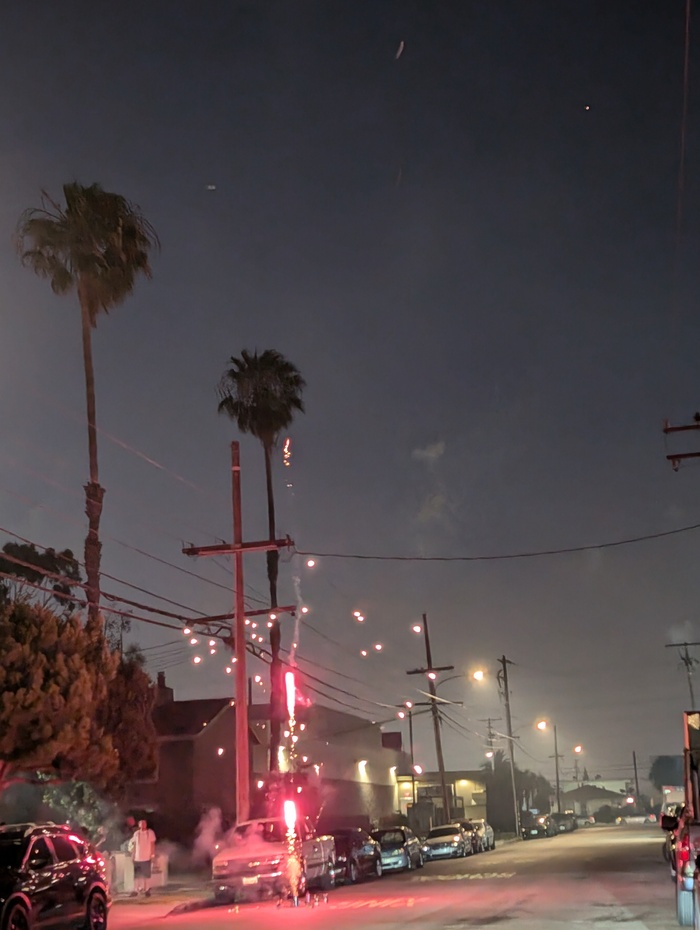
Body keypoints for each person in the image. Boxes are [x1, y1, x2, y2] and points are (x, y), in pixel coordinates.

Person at [128, 819, 157, 897]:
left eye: (144, 823)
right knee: (137, 875)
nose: (143, 825)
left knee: (146, 875)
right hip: (137, 857)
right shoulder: (136, 833)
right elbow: (134, 845)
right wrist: (133, 855)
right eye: (141, 824)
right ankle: (136, 890)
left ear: (146, 824)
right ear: (139, 825)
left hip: (146, 857)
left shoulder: (150, 833)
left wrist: (152, 855)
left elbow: (152, 844)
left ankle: (147, 890)